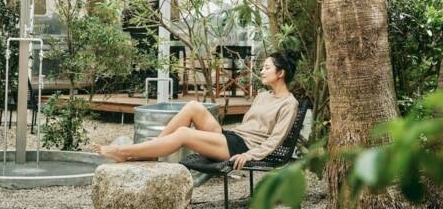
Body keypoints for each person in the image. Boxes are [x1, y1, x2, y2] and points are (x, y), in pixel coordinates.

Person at [93, 51, 300, 170]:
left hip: (243, 148)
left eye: (267, 68)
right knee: (193, 106)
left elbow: (275, 140)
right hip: (233, 138)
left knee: (184, 134)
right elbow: (247, 126)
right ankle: (153, 152)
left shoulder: (289, 104)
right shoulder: (263, 96)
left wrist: (250, 155)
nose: (261, 71)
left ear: (280, 73)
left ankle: (124, 152)